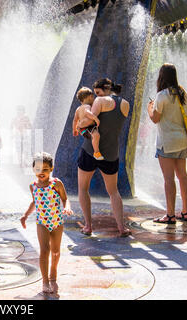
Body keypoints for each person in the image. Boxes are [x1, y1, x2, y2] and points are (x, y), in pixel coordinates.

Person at [78, 78, 132, 237]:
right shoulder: (126, 104)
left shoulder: (100, 101)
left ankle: (88, 226)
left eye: (97, 93)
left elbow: (88, 121)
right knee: (113, 191)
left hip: (90, 151)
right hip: (110, 153)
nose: (95, 97)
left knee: (82, 188)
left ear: (106, 89)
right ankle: (122, 228)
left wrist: (78, 124)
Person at [20, 152, 73, 294]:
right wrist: (25, 215)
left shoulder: (56, 183)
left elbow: (65, 198)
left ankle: (53, 275)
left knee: (55, 252)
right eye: (38, 169)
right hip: (42, 222)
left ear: (51, 169)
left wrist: (67, 207)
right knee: (44, 250)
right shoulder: (33, 186)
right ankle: (44, 281)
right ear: (33, 169)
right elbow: (34, 201)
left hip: (57, 221)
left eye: (45, 169)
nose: (41, 172)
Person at [148, 63, 187, 224]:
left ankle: (170, 215)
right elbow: (185, 113)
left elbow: (155, 119)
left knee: (168, 179)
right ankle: (185, 212)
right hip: (182, 140)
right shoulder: (182, 93)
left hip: (166, 142)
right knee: (183, 176)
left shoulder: (162, 95)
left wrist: (149, 109)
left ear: (161, 76)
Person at [72, 87, 104, 160]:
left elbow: (75, 120)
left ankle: (96, 150)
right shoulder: (87, 106)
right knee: (96, 135)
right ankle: (96, 152)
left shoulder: (78, 109)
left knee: (95, 136)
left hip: (82, 129)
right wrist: (95, 118)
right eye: (93, 97)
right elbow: (87, 113)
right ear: (90, 96)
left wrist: (74, 130)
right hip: (88, 127)